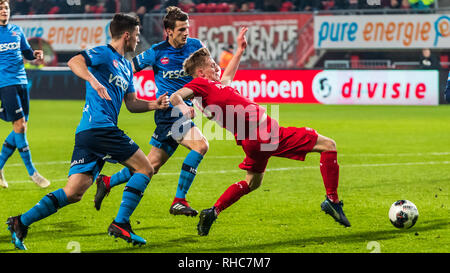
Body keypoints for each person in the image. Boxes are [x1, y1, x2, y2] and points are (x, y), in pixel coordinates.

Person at [6, 13, 170, 250]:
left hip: (89, 134)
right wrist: (94, 81)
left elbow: (132, 103)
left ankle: (20, 222)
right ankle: (121, 223)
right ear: (127, 35)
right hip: (99, 128)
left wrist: (155, 104)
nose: (138, 39)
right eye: (136, 34)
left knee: (74, 192)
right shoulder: (104, 53)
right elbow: (74, 62)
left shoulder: (126, 66)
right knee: (146, 168)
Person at [169, 27, 351, 237]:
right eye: (212, 65)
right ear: (200, 73)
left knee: (253, 182)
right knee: (328, 145)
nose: (218, 68)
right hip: (266, 134)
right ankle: (332, 200)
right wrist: (182, 107)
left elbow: (227, 76)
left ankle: (213, 211)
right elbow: (176, 96)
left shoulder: (211, 88)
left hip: (252, 141)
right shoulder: (200, 84)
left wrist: (239, 50)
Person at [93, 6, 208, 217]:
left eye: (187, 28)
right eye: (181, 29)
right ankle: (179, 201)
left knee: (150, 165)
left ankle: (107, 181)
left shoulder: (196, 46)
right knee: (200, 145)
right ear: (169, 31)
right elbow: (128, 68)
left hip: (185, 110)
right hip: (169, 112)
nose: (186, 33)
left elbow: (209, 68)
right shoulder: (156, 52)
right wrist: (112, 84)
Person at [0, 0, 50, 189]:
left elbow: (26, 52)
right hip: (5, 84)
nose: (4, 11)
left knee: (21, 127)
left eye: (6, 8)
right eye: (1, 8)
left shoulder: (17, 31)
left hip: (21, 81)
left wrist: (34, 55)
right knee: (20, 125)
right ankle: (32, 172)